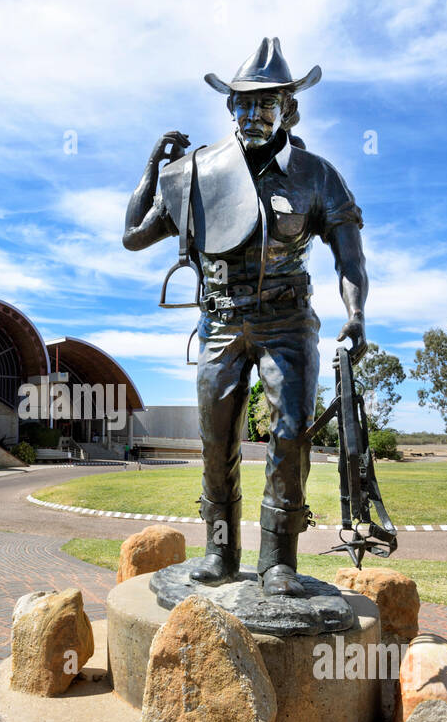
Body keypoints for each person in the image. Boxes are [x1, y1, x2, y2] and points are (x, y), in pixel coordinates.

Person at [123, 37, 369, 596]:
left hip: (288, 324)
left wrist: (355, 315)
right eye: (241, 103)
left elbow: (350, 258)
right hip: (221, 322)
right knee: (216, 439)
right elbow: (134, 237)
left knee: (289, 437)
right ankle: (219, 550)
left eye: (265, 103)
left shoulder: (317, 175)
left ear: (289, 108)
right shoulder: (195, 173)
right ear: (229, 108)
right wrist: (152, 168)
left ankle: (278, 558)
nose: (252, 113)